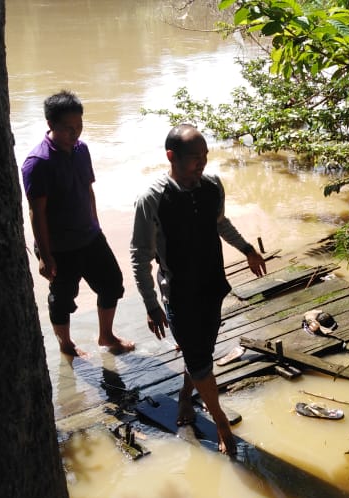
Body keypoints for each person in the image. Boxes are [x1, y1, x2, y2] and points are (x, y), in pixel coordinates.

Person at [130, 124, 266, 455]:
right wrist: (151, 304)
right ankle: (219, 421)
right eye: (194, 158)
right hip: (179, 294)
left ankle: (184, 397)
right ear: (171, 157)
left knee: (202, 350)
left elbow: (220, 222)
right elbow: (140, 256)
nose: (201, 164)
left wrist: (247, 248)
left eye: (205, 156)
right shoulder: (152, 199)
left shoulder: (212, 186)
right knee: (200, 358)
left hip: (213, 285)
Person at [21, 90, 134, 358]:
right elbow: (37, 212)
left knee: (112, 283)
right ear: (50, 125)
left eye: (79, 127)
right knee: (62, 299)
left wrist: (96, 225)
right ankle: (66, 345)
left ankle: (105, 335)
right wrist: (45, 256)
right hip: (59, 246)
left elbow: (88, 190)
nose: (75, 133)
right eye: (68, 129)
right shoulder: (38, 163)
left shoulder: (81, 150)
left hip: (90, 236)